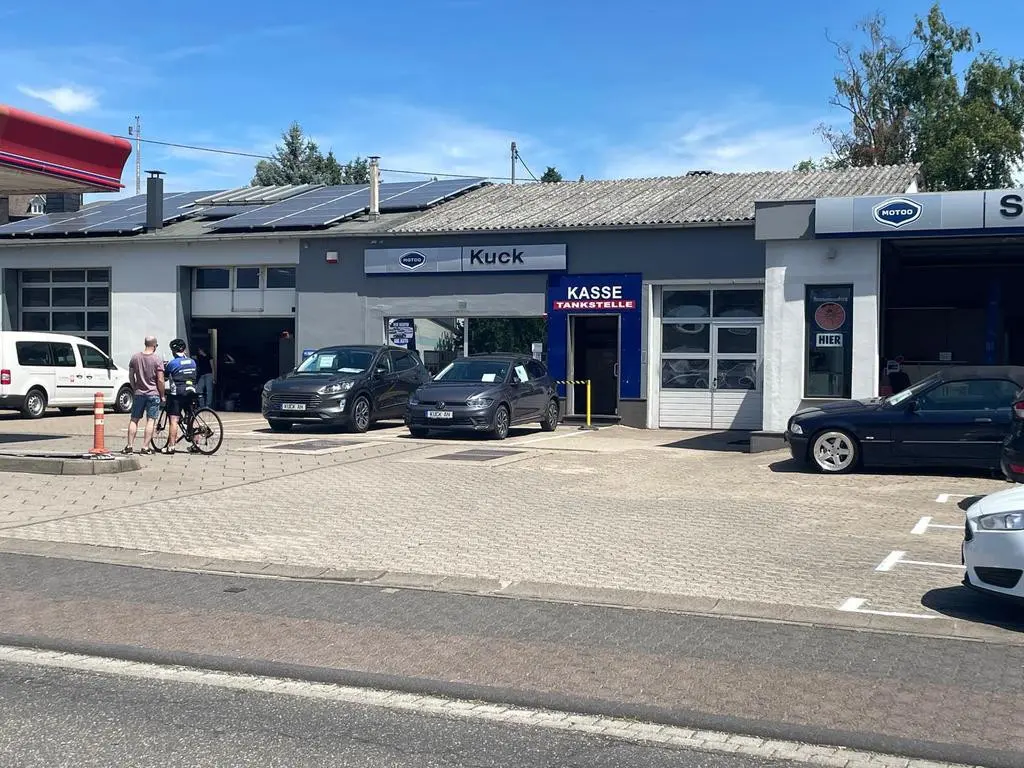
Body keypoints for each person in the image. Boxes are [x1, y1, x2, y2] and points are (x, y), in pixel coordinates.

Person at [124, 336, 164, 455]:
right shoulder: (157, 359)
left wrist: (134, 387)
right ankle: (145, 447)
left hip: (139, 393)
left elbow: (131, 375)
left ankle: (129, 446)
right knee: (151, 420)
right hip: (153, 393)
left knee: (134, 419)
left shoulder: (135, 357)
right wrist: (162, 395)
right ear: (154, 345)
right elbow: (160, 380)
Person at [163, 338, 199, 455]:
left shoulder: (172, 363)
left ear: (173, 351)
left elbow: (165, 378)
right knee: (192, 418)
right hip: (192, 391)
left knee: (174, 419)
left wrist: (165, 367)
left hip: (177, 393)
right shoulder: (192, 362)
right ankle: (196, 444)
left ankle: (171, 446)